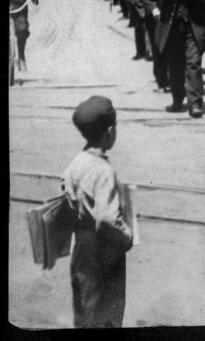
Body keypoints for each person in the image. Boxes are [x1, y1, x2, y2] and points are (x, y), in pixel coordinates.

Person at [62, 96, 136, 328]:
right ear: (110, 131)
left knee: (85, 312)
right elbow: (106, 219)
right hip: (103, 255)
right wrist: (127, 236)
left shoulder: (76, 162)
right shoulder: (104, 171)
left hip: (81, 251)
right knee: (106, 318)